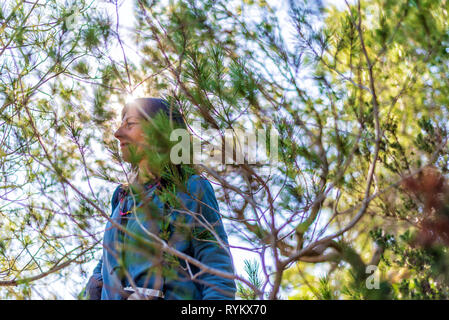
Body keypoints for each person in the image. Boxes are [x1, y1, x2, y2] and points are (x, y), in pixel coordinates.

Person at [84, 97, 236, 300]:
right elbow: (108, 264)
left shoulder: (191, 189)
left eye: (130, 124)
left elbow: (217, 272)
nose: (118, 133)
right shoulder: (122, 197)